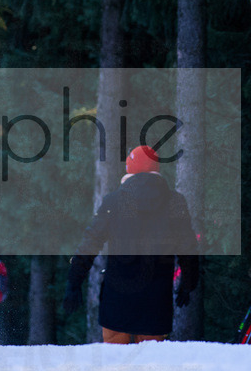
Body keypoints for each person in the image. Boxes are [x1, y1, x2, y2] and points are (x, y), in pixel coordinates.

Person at [63, 145, 200, 343]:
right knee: (150, 368)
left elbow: (90, 243)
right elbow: (188, 248)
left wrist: (74, 282)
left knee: (115, 368)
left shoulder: (113, 201)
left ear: (130, 168)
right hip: (156, 303)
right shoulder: (175, 202)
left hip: (117, 301)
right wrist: (188, 283)